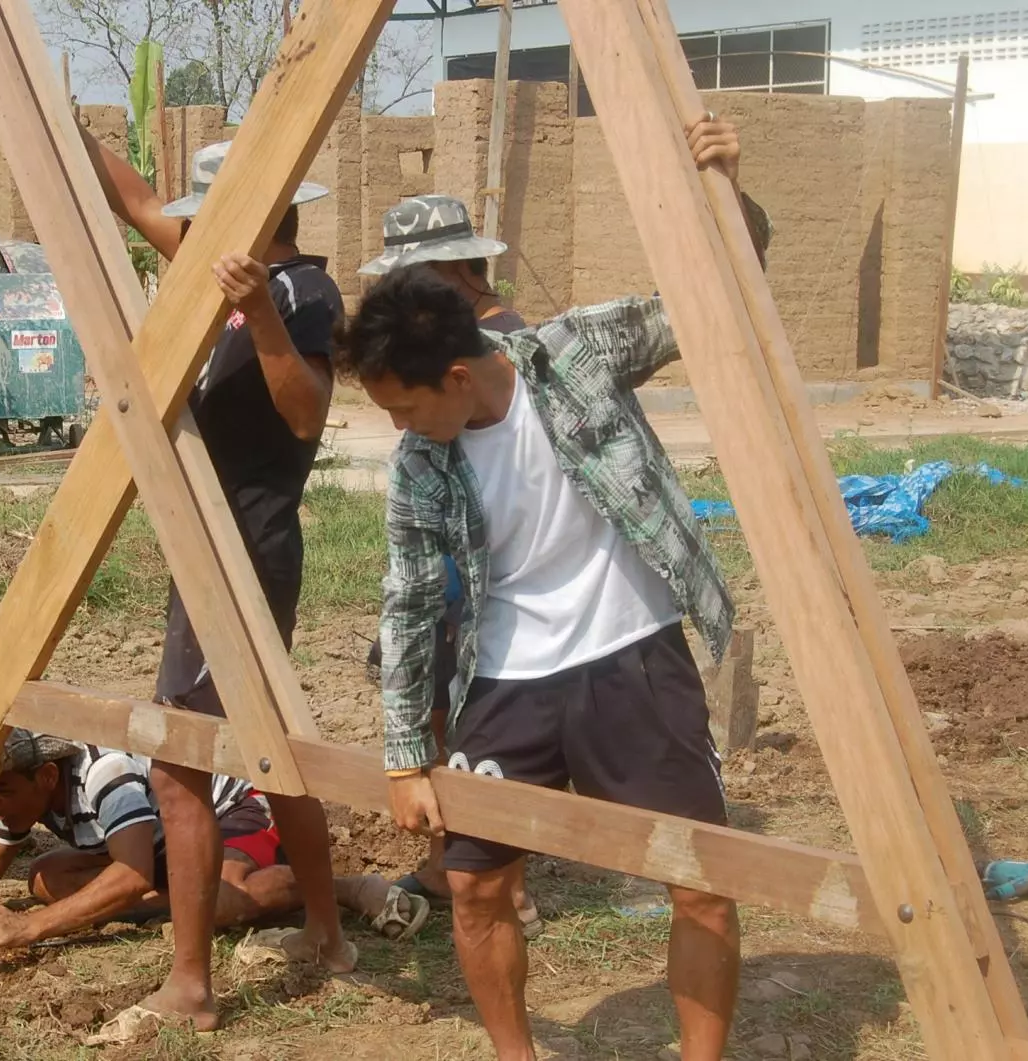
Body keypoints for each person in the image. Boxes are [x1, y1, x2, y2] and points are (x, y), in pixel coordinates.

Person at [330, 118, 769, 1061]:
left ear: (455, 375)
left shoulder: (576, 356)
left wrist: (727, 195)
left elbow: (707, 298)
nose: (400, 427)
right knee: (477, 883)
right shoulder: (420, 465)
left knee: (699, 878)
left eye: (406, 406)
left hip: (632, 656)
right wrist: (407, 754)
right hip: (506, 682)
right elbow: (408, 602)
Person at [84, 137, 353, 1037]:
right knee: (273, 742)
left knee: (180, 759)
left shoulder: (302, 294)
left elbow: (308, 411)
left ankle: (192, 985)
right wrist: (65, 125)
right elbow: (137, 202)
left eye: (210, 215)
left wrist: (261, 316)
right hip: (215, 544)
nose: (188, 229)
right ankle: (326, 930)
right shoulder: (229, 272)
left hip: (243, 550)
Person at [359, 193, 542, 936]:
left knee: (472, 712)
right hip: (448, 566)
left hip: (486, 580)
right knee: (437, 704)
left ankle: (495, 871)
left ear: (461, 270)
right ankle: (456, 852)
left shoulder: (499, 345)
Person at [0, 730, 428, 961]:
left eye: (1, 792)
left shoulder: (106, 777)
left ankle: (342, 888)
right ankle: (177, 901)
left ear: (46, 776)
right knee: (47, 877)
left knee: (219, 900)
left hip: (230, 810)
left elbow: (130, 874)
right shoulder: (21, 794)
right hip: (159, 842)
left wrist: (29, 927)